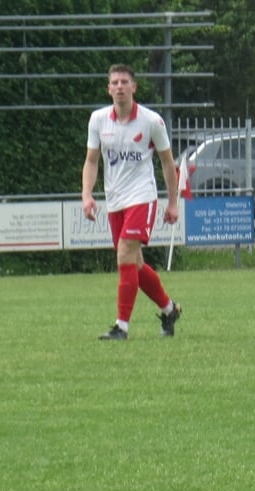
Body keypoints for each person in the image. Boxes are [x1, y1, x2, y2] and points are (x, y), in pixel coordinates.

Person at [82, 63, 183, 341]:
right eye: (114, 82)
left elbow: (167, 163)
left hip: (142, 196)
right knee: (134, 265)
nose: (119, 87)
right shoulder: (98, 120)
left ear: (134, 87)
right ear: (108, 89)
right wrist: (87, 195)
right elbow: (91, 160)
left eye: (124, 82)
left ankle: (121, 327)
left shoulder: (151, 121)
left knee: (125, 252)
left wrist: (172, 203)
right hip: (115, 200)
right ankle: (169, 308)